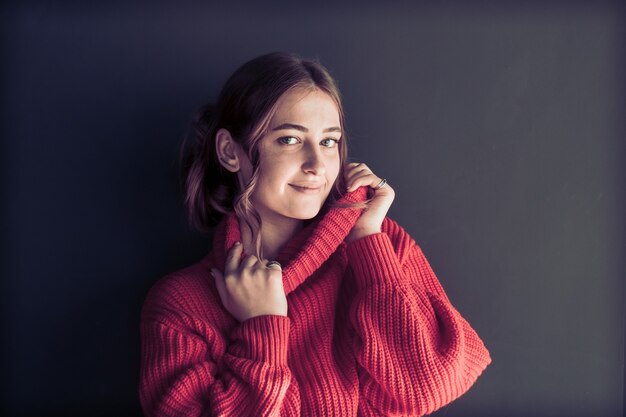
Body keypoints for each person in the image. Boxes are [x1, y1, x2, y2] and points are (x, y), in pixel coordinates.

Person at [139, 52, 491, 417]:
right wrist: (263, 327)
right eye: (290, 140)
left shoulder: (380, 247)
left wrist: (367, 239)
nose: (317, 165)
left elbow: (429, 386)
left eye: (328, 142)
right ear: (230, 151)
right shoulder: (181, 305)